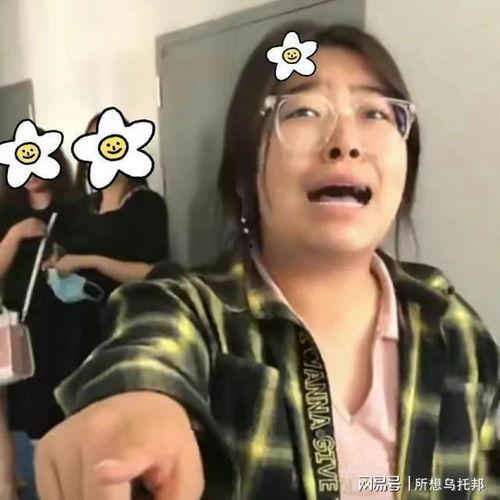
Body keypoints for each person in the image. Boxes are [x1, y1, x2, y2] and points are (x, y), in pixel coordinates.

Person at [35, 23, 500, 500]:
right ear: (243, 174)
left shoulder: (453, 325)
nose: (346, 141)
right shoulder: (187, 310)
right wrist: (138, 409)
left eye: (375, 113)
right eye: (302, 111)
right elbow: (148, 353)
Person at [0, 147, 80, 499]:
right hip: (17, 321)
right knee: (18, 406)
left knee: (57, 404)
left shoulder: (74, 210)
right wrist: (15, 235)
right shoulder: (7, 213)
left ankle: (59, 485)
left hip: (65, 321)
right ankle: (15, 482)